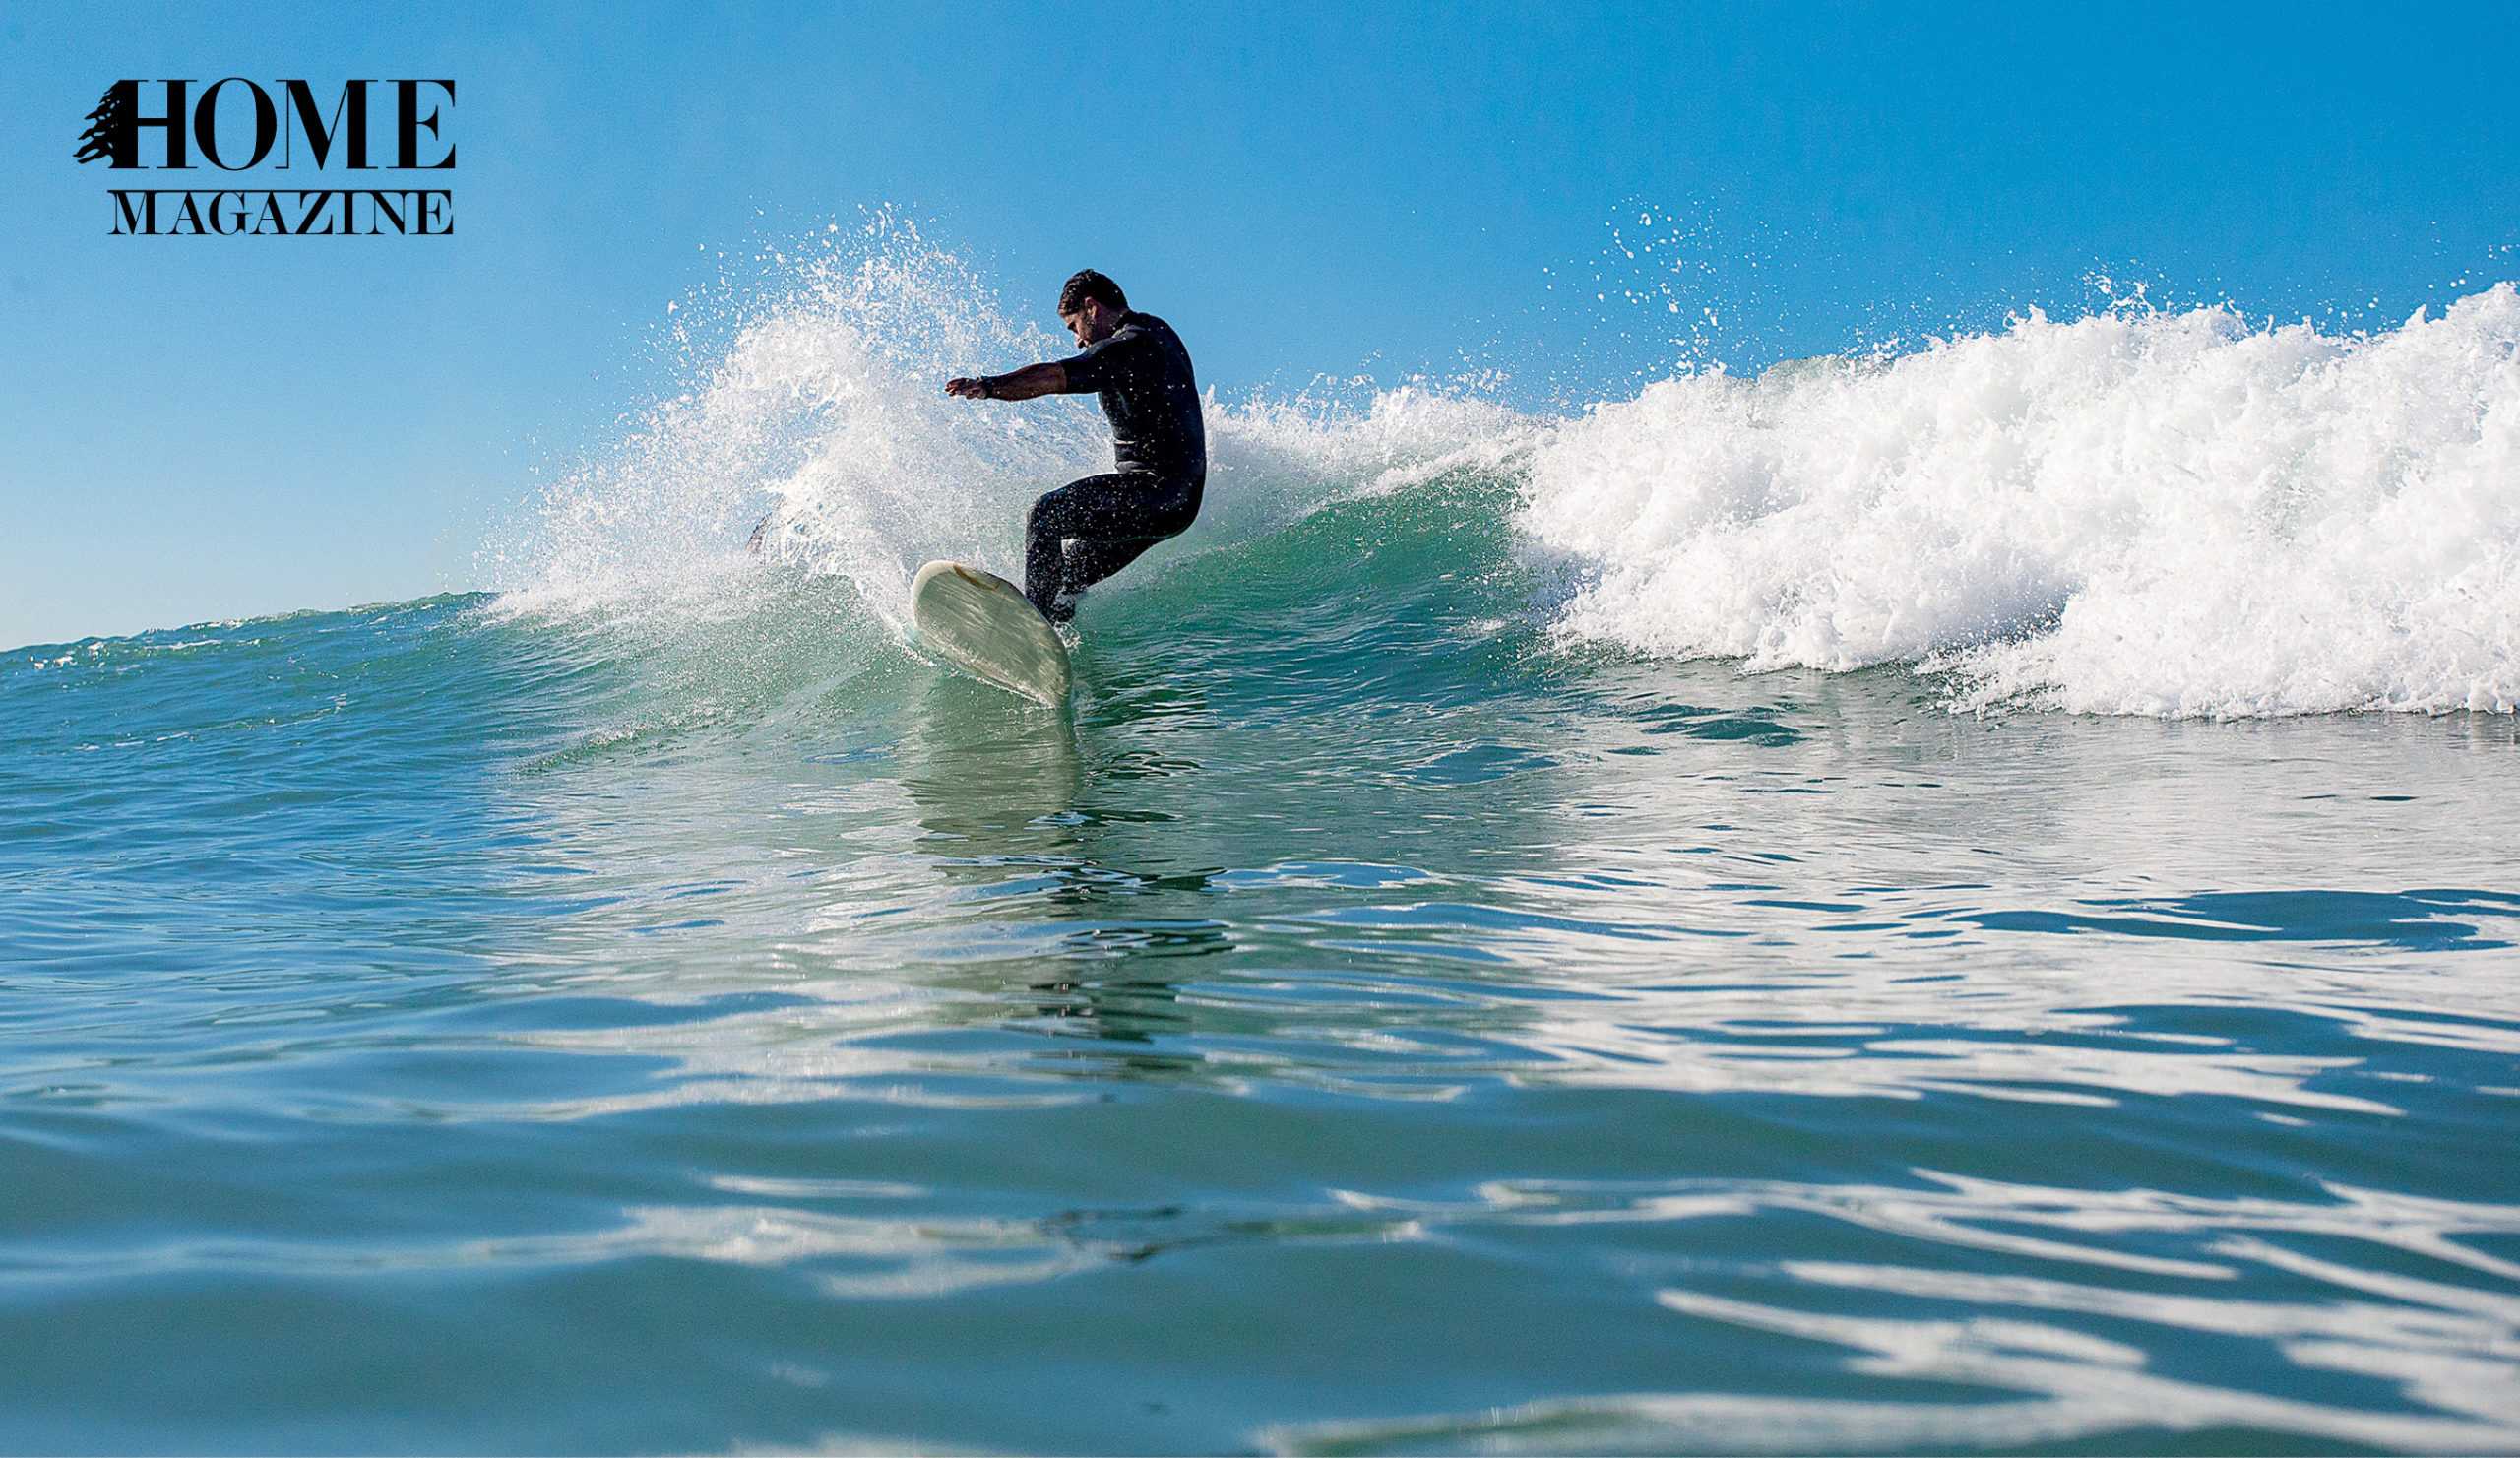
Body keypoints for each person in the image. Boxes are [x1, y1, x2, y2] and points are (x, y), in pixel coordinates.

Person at [946, 271, 1205, 623]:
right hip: (1178, 504)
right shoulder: (1158, 333)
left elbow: (1055, 376)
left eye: (1073, 326)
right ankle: (1055, 638)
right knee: (1065, 578)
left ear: (1091, 308)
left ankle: (1030, 626)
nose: (1078, 340)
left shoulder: (1132, 345)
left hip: (1154, 493)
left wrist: (989, 386)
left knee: (1045, 515)